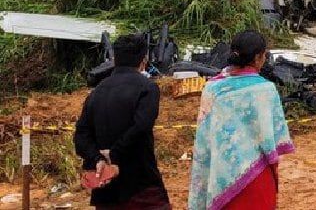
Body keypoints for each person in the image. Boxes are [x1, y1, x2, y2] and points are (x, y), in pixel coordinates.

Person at [189, 30, 294, 210]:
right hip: (257, 177)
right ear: (258, 57)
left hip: (220, 176)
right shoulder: (265, 90)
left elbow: (205, 139)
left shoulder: (212, 89)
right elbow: (273, 141)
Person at [74, 34, 171, 209]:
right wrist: (114, 154)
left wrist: (98, 159)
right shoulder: (147, 88)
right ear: (144, 61)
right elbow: (142, 126)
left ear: (115, 59)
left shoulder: (96, 92)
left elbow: (80, 137)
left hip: (106, 189)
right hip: (141, 184)